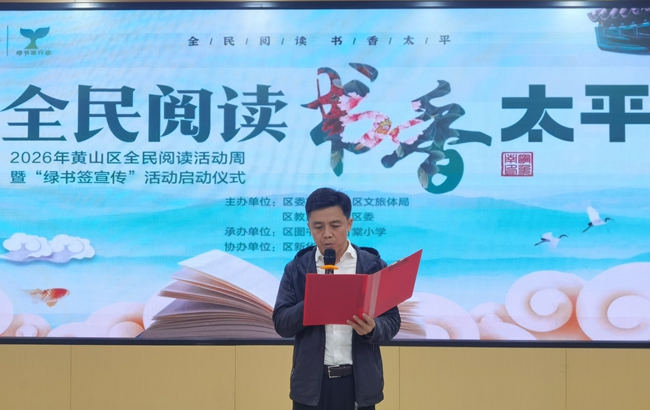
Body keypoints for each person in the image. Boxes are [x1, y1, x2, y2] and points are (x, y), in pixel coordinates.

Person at [273, 188, 401, 410]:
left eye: (335, 225)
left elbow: (392, 321)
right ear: (309, 227)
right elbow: (281, 323)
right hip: (311, 387)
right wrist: (314, 301)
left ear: (349, 224)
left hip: (358, 385)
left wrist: (372, 329)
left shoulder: (372, 266)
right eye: (318, 227)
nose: (327, 234)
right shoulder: (297, 268)